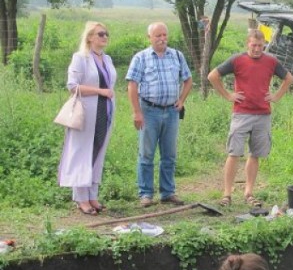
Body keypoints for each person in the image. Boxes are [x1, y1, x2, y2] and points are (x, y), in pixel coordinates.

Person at [208, 29, 293, 208]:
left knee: (255, 154)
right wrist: (228, 95)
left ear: (264, 45)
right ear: (248, 43)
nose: (257, 49)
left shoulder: (271, 61)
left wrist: (276, 96)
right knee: (234, 153)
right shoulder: (237, 60)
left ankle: (249, 192)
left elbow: (289, 79)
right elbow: (213, 76)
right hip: (242, 113)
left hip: (263, 114)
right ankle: (227, 194)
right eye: (253, 45)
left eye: (260, 46)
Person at [126, 22, 193, 207]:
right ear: (149, 38)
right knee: (146, 154)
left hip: (171, 111)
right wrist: (136, 112)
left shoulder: (177, 56)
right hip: (149, 111)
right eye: (158, 35)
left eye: (164, 35)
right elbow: (132, 85)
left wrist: (182, 99)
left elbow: (188, 80)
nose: (162, 38)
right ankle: (146, 194)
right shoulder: (141, 58)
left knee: (169, 154)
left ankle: (168, 192)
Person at [58, 21, 116, 215]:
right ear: (90, 37)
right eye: (100, 34)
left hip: (104, 112)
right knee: (82, 152)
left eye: (106, 33)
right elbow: (73, 86)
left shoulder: (107, 59)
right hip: (86, 113)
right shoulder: (80, 58)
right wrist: (100, 91)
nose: (105, 37)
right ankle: (81, 198)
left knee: (98, 151)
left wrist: (106, 95)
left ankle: (93, 195)